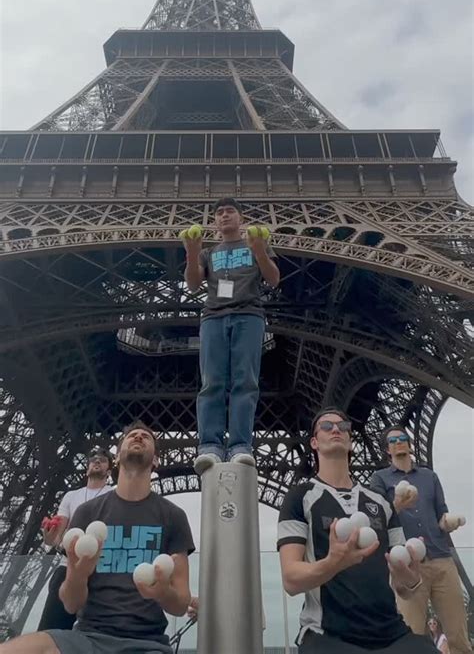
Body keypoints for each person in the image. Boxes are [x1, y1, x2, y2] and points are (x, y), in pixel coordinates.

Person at [1, 421, 195, 654]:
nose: (139, 437)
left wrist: (162, 591)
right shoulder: (87, 512)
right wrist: (78, 574)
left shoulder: (174, 516)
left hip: (146, 643)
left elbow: (181, 603)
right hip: (87, 638)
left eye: (147, 436)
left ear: (156, 460)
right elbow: (71, 604)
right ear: (116, 457)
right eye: (132, 435)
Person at [277, 406, 437, 653]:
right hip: (328, 634)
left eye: (343, 427)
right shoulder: (300, 497)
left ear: (351, 441)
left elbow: (403, 588)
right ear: (314, 442)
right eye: (327, 427)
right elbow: (291, 580)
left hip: (392, 634)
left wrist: (411, 578)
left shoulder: (381, 502)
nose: (336, 430)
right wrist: (334, 563)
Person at [183, 197, 279, 473]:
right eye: (219, 213)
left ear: (241, 217)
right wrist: (192, 252)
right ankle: (210, 445)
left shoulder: (255, 245)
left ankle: (240, 445)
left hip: (249, 316)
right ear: (215, 221)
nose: (224, 216)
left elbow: (273, 280)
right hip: (214, 317)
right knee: (211, 381)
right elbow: (192, 284)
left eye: (230, 211)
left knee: (245, 381)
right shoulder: (208, 252)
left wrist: (259, 251)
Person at [370, 425, 471, 654]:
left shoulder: (429, 477)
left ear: (410, 444)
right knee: (411, 636)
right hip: (407, 565)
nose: (399, 442)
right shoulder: (379, 479)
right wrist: (396, 504)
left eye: (403, 438)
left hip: (442, 559)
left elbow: (440, 517)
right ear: (387, 449)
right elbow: (376, 519)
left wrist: (450, 522)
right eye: (393, 440)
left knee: (458, 636)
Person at [38, 448, 113, 631]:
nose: (96, 462)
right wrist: (48, 538)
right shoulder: (71, 496)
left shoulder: (115, 496)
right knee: (52, 632)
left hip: (102, 571)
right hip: (68, 567)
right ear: (86, 469)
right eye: (93, 459)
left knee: (99, 636)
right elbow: (57, 536)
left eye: (102, 460)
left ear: (109, 472)